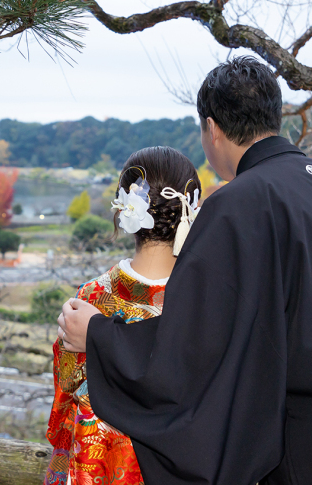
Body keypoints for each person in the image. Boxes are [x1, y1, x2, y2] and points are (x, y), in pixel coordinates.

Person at [57, 56, 312, 485]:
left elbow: (195, 347)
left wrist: (99, 335)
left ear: (212, 129)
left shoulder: (240, 201)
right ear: (274, 116)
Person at [44, 147, 201, 485]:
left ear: (123, 211)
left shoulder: (90, 300)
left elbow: (65, 390)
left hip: (96, 463)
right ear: (191, 211)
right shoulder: (207, 304)